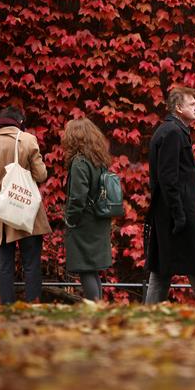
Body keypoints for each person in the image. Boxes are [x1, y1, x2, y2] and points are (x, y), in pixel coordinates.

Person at [144, 86, 195, 303]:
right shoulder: (173, 133)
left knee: (162, 268)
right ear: (178, 108)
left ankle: (147, 315)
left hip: (171, 214)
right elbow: (168, 178)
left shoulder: (172, 131)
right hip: (177, 215)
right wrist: (179, 215)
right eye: (192, 103)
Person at [0, 106, 51, 304]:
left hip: (1, 215)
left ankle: (7, 308)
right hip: (26, 212)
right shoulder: (27, 139)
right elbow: (41, 175)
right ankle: (33, 306)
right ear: (20, 121)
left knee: (5, 266)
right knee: (31, 264)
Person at [61, 118, 113, 301]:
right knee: (92, 269)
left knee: (85, 269)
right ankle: (97, 308)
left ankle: (94, 311)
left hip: (85, 224)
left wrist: (70, 220)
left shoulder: (80, 162)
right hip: (98, 220)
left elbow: (77, 197)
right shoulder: (99, 160)